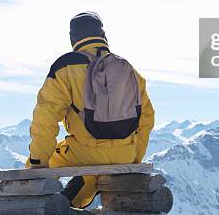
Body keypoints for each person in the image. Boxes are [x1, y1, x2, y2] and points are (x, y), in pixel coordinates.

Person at [27, 12, 155, 209]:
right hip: (127, 152)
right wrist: (134, 157)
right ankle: (75, 203)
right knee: (92, 174)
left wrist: (36, 162)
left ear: (73, 39)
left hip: (84, 151)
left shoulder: (66, 66)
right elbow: (146, 117)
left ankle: (52, 207)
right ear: (103, 36)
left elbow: (46, 118)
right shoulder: (129, 70)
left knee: (47, 161)